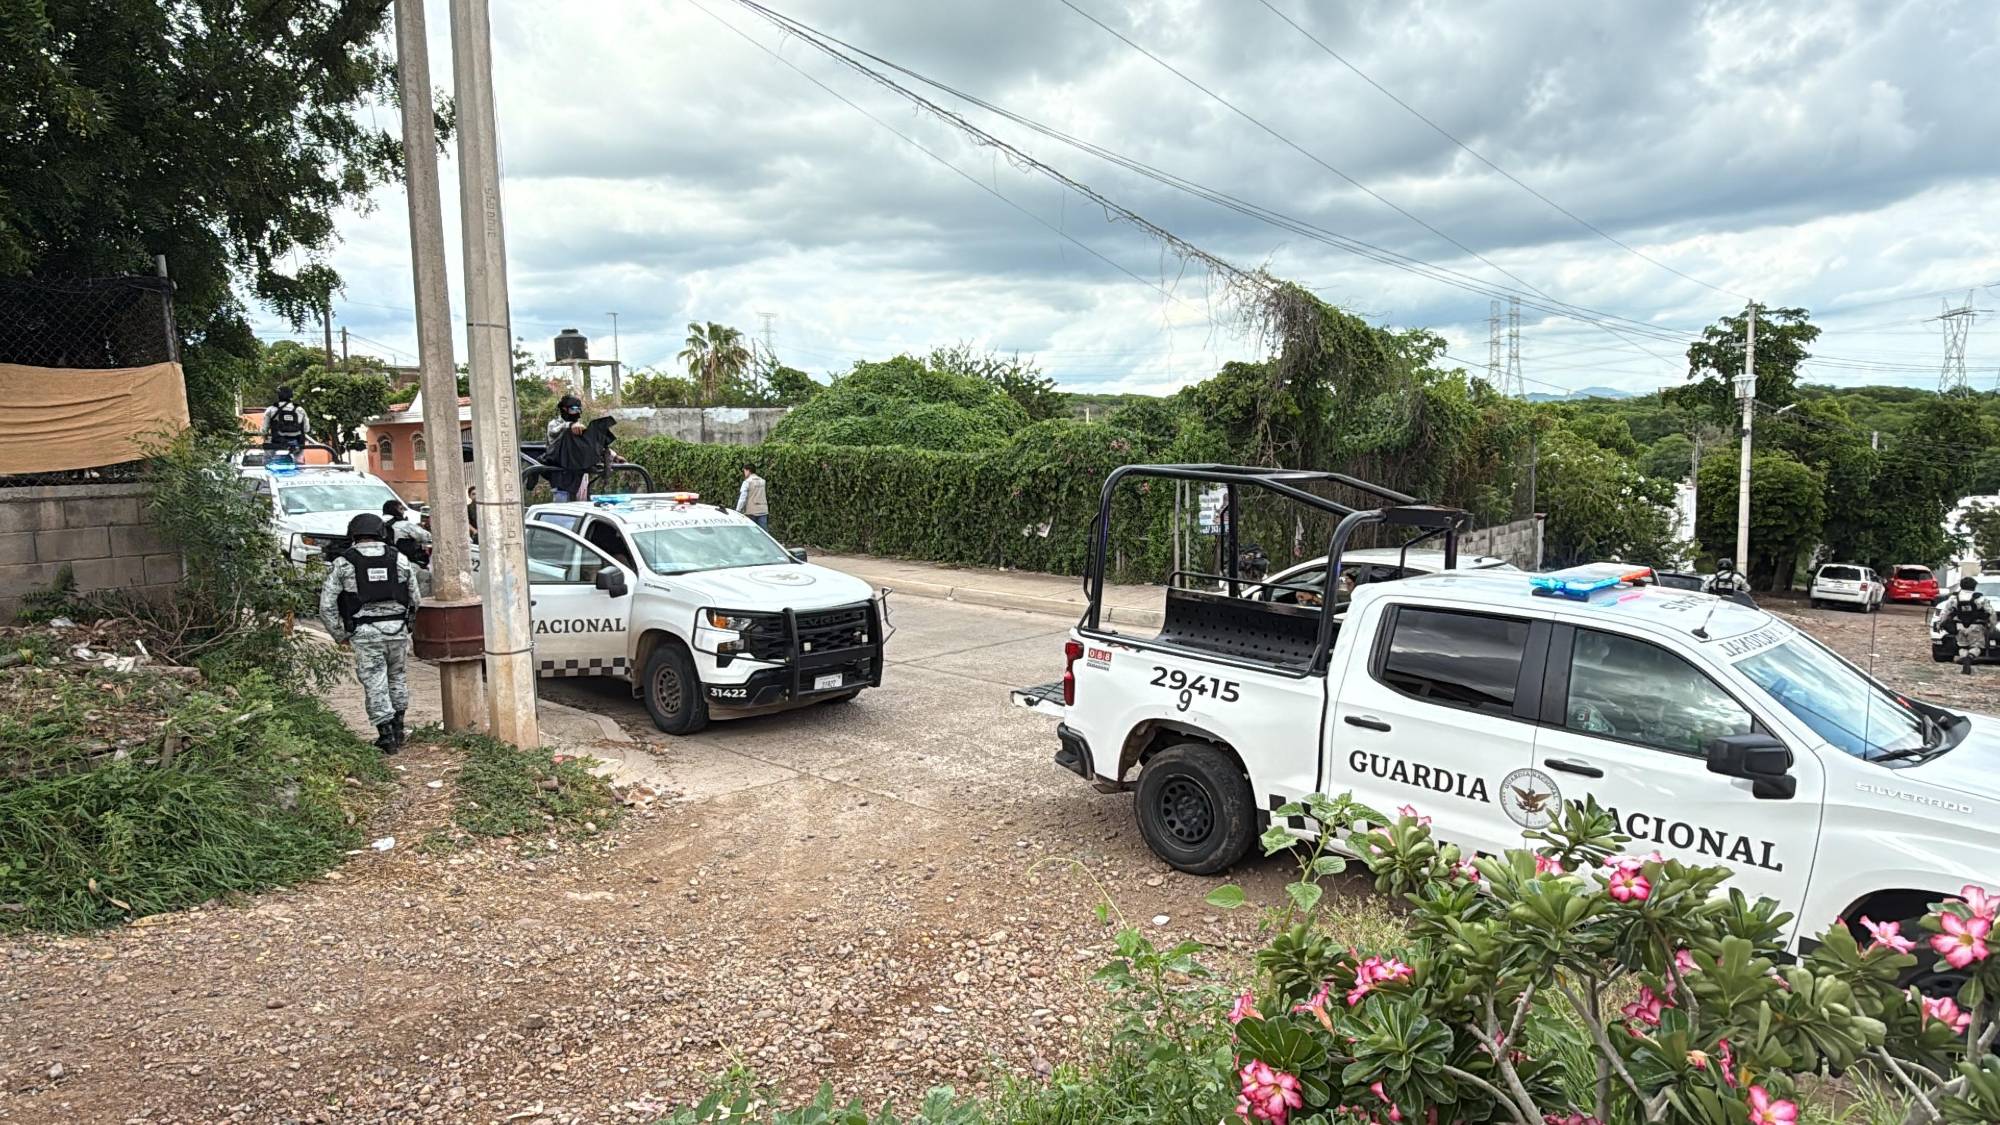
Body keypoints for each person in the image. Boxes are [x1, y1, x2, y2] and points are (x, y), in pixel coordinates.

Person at [319, 513, 420, 751]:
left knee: (375, 680)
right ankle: (399, 728)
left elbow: (326, 606)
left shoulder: (343, 563)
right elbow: (415, 598)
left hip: (364, 633)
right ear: (381, 532)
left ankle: (386, 736)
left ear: (353, 533)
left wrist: (340, 634)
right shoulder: (400, 559)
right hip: (397, 630)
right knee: (397, 677)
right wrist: (409, 626)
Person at [1944, 576, 1995, 677]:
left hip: (1959, 626)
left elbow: (1945, 612)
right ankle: (1969, 658)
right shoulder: (1980, 598)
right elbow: (1991, 612)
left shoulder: (1953, 598)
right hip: (1976, 627)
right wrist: (1991, 625)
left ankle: (1964, 661)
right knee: (1977, 647)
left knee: (1962, 646)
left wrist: (1941, 623)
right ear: (1974, 586)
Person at [383, 498, 434, 596]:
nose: (403, 512)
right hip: (404, 563)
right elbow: (427, 537)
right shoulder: (405, 525)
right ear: (396, 510)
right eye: (401, 509)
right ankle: (422, 603)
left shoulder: (377, 523)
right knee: (426, 576)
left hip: (382, 565)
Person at [262, 386, 310, 456]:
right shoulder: (300, 409)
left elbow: (264, 430)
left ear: (278, 396)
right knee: (299, 460)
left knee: (267, 458)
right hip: (296, 444)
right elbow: (306, 429)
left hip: (277, 443)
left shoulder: (271, 409)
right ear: (291, 396)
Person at [736, 463, 769, 529]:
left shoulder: (747, 482)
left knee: (751, 532)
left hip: (751, 512)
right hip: (763, 510)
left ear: (748, 471)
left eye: (744, 471)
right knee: (763, 532)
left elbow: (742, 498)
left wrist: (738, 510)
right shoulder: (763, 481)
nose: (744, 473)